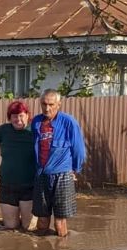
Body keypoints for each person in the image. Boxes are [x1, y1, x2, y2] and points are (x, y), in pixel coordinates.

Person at [31, 89, 86, 238]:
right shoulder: (36, 122)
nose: (47, 108)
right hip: (41, 175)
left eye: (51, 104)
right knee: (41, 220)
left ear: (58, 104)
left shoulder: (69, 122)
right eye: (44, 104)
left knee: (60, 222)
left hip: (62, 175)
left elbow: (79, 150)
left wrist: (75, 170)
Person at [0, 100, 36, 230]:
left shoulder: (35, 129)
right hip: (7, 185)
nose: (18, 119)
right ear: (10, 118)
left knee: (29, 228)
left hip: (30, 185)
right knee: (10, 227)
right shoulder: (4, 130)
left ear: (27, 115)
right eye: (14, 116)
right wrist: (4, 153)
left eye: (21, 115)